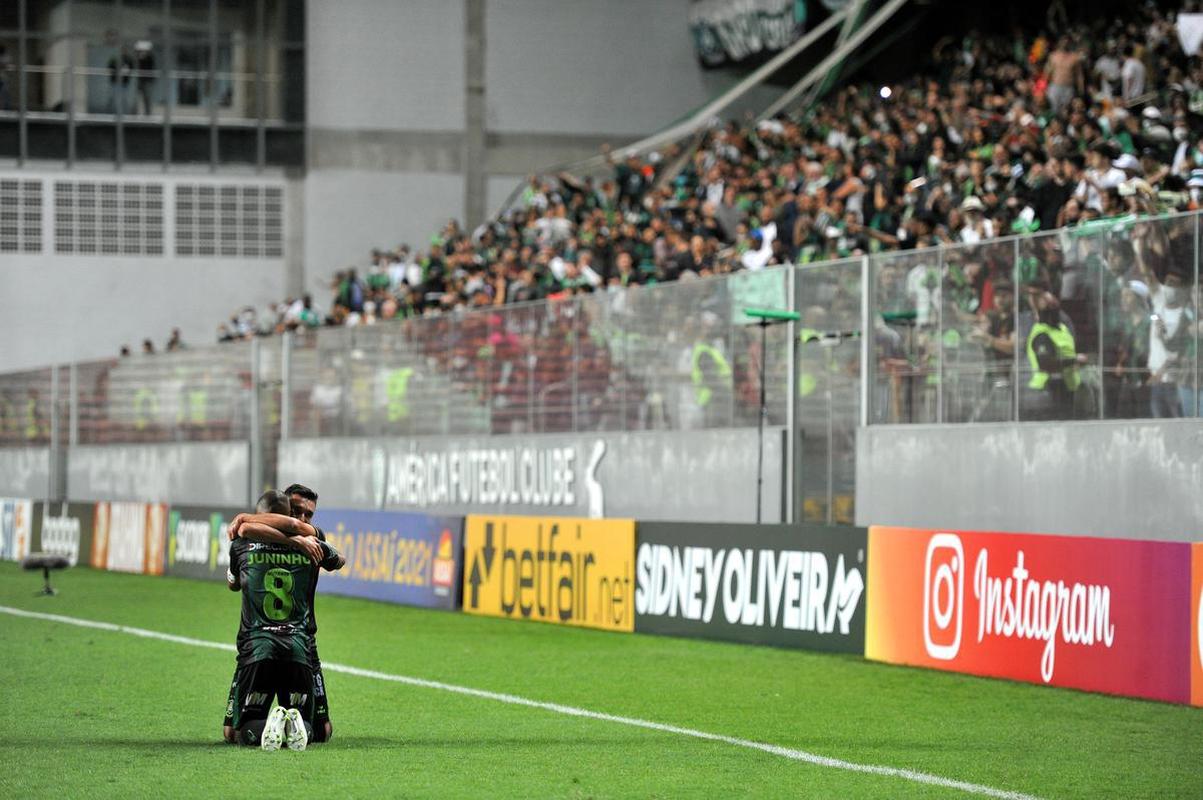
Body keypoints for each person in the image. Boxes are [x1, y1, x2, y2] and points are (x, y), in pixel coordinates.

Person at [223, 490, 343, 750]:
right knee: (320, 730)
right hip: (299, 646)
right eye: (297, 512)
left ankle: (269, 723)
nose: (303, 519)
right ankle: (294, 722)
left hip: (258, 647)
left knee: (234, 732)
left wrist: (244, 518)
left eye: (309, 514)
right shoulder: (314, 546)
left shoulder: (241, 543)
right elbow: (339, 560)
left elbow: (232, 582)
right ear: (287, 511)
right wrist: (304, 543)